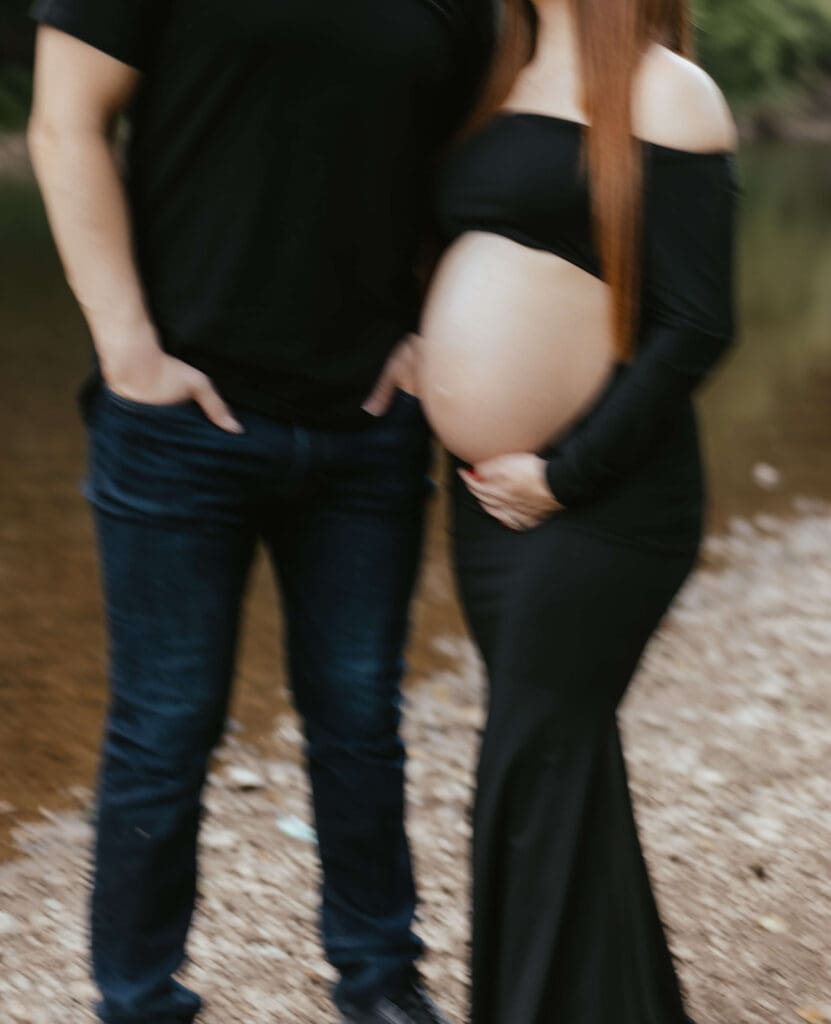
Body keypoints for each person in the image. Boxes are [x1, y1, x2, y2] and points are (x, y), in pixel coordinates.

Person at [26, 2, 493, 1023]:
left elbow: (470, 169)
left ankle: (380, 981)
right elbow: (65, 123)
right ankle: (139, 998)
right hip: (177, 419)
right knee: (165, 726)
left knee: (361, 718)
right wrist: (128, 350)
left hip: (365, 424)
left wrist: (428, 328)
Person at [413, 0, 739, 1021]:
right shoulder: (494, 69)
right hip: (487, 508)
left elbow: (697, 324)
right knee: (561, 767)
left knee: (530, 764)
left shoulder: (665, 88)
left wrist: (567, 472)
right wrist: (418, 338)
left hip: (606, 501)